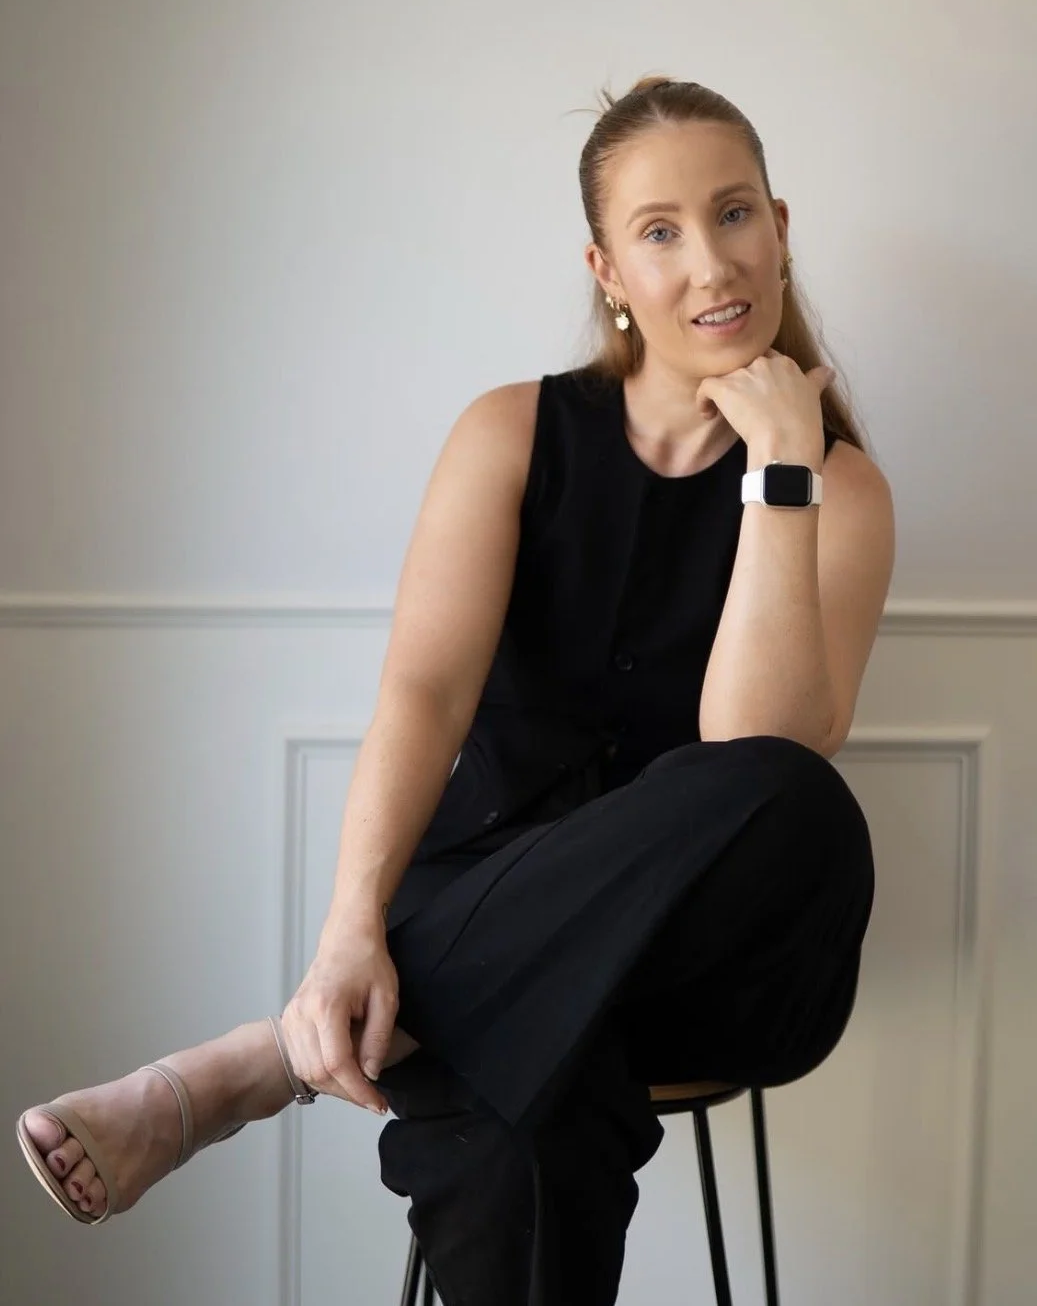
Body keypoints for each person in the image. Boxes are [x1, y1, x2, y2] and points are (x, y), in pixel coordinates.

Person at [16, 76, 894, 1305]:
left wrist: (780, 468)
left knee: (792, 800)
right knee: (515, 1116)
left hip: (711, 972)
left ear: (781, 226)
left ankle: (264, 1065)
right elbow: (421, 698)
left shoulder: (835, 488)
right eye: (658, 231)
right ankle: (407, 1019)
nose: (709, 263)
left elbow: (752, 747)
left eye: (734, 212)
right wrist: (344, 937)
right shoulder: (509, 434)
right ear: (605, 270)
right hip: (487, 897)